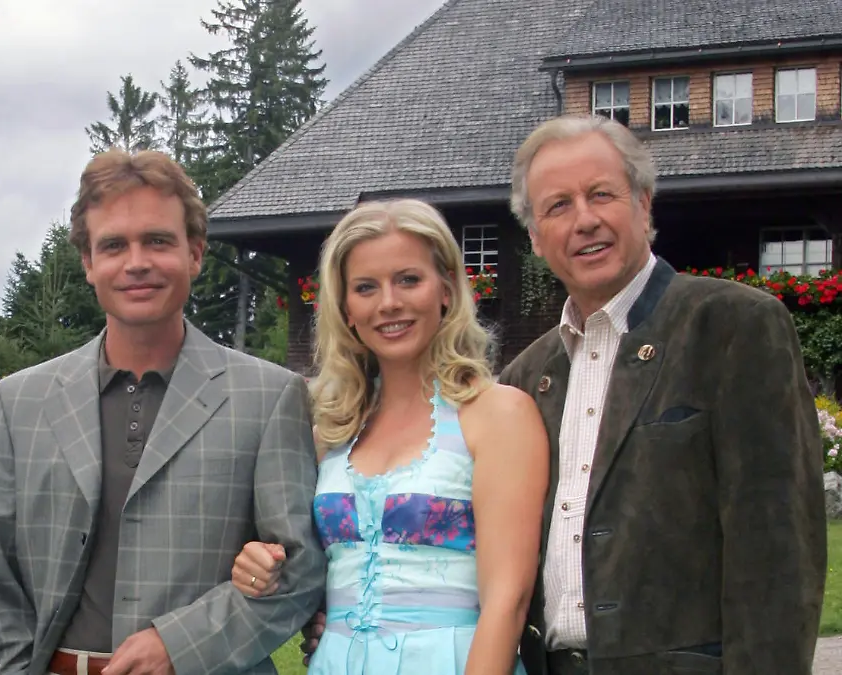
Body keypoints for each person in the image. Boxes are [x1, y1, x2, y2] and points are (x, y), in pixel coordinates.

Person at [0, 148, 326, 675]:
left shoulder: (268, 396)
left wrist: (179, 647)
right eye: (114, 245)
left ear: (195, 254)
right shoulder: (18, 401)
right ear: (89, 264)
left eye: (158, 241)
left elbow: (298, 569)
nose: (136, 262)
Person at [498, 114, 826, 675]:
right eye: (557, 206)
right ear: (534, 237)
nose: (585, 220)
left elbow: (779, 551)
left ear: (645, 204)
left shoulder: (732, 327)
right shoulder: (525, 379)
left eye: (601, 194)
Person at [231, 199, 548, 674]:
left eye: (408, 279)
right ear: (346, 309)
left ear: (446, 289)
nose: (389, 303)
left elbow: (508, 601)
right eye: (365, 287)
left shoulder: (498, 414)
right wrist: (258, 564)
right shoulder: (331, 431)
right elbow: (308, 568)